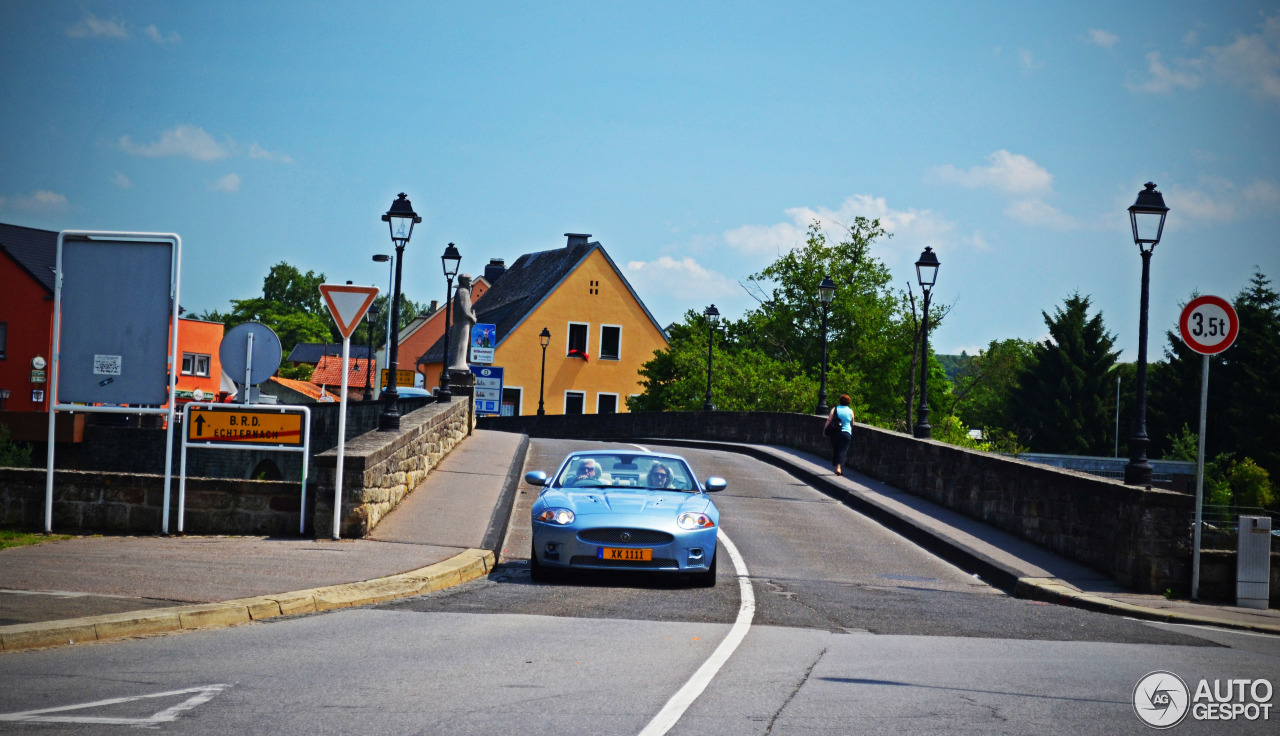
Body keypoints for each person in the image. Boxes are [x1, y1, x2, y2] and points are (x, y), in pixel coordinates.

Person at [827, 394, 855, 476]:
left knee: (836, 449)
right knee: (842, 450)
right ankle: (839, 467)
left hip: (835, 432)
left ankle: (836, 467)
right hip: (846, 433)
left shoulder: (835, 409)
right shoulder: (850, 411)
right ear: (848, 402)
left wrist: (825, 430)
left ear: (840, 401)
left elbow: (829, 419)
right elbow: (852, 423)